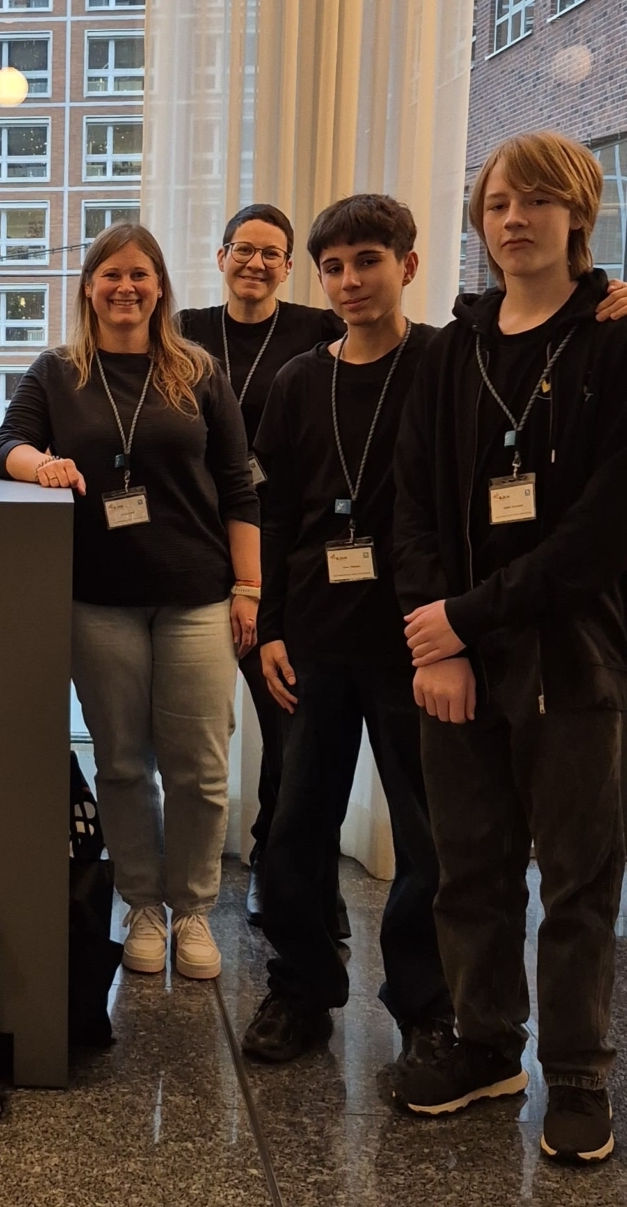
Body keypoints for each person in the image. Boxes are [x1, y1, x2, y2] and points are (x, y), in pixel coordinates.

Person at [393, 131, 627, 1165]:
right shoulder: (452, 351)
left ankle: (576, 1073)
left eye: (536, 200)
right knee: (467, 865)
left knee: (576, 876)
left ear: (579, 213)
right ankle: (487, 1044)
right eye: (496, 203)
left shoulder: (616, 343)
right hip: (457, 657)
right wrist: (434, 644)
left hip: (574, 654)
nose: (513, 219)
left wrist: (466, 617)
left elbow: (600, 532)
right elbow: (409, 510)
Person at [0, 222, 261, 981]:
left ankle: (194, 909)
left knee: (200, 767)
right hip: (97, 599)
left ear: (160, 287)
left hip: (195, 597)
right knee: (119, 763)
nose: (125, 287)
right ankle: (141, 904)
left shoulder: (198, 371)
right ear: (87, 286)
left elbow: (238, 487)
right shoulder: (57, 371)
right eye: (110, 274)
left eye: (140, 274)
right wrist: (36, 462)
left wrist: (249, 589)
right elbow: (1, 442)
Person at [241, 195, 452, 1067]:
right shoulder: (298, 380)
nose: (349, 279)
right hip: (316, 636)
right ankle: (300, 989)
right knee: (294, 825)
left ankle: (425, 1007)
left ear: (406, 264)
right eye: (331, 266)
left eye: (367, 259)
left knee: (426, 832)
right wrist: (274, 626)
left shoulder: (446, 361)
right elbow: (277, 511)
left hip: (417, 640)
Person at [176, 204, 348, 931]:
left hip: (283, 551)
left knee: (289, 728)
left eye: (270, 253)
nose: (254, 263)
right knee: (191, 730)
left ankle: (282, 872)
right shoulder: (181, 330)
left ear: (287, 267)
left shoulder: (317, 331)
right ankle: (173, 886)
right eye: (241, 249)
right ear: (219, 258)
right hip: (190, 546)